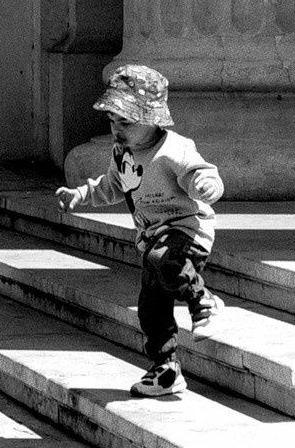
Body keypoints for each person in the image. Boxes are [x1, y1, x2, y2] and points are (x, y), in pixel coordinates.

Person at [54, 64, 226, 397]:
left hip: (188, 230)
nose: (117, 130)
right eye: (112, 121)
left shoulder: (174, 149)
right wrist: (79, 195)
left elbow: (201, 172)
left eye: (126, 122)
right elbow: (111, 185)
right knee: (151, 307)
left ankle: (203, 301)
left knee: (165, 259)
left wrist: (207, 185)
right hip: (152, 239)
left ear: (152, 119)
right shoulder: (123, 153)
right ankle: (166, 369)